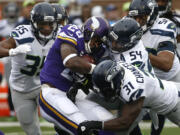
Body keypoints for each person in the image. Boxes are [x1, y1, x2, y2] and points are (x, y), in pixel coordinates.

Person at [39, 16, 115, 135]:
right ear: (88, 32)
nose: (96, 45)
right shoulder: (72, 31)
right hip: (53, 93)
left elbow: (93, 84)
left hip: (75, 97)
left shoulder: (99, 52)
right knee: (85, 129)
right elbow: (70, 61)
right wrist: (98, 69)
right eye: (96, 40)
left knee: (110, 126)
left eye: (100, 43)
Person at [77, 59, 180, 134]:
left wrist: (94, 125)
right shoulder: (117, 68)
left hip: (175, 104)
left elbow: (125, 123)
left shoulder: (133, 89)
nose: (106, 93)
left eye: (107, 89)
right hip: (170, 90)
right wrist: (81, 84)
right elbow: (101, 74)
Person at [0, 2, 58, 135]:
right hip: (21, 90)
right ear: (33, 23)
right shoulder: (23, 34)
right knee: (29, 127)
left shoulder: (59, 35)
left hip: (45, 87)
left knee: (59, 117)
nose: (47, 28)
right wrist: (11, 51)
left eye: (50, 24)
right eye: (42, 24)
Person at [128, 0, 180, 134]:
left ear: (151, 15)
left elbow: (166, 64)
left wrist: (139, 53)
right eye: (134, 17)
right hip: (147, 78)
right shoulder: (126, 24)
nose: (137, 21)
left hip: (171, 79)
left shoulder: (166, 25)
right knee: (125, 121)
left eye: (141, 17)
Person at [0, 2, 20, 118]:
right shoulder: (2, 24)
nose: (12, 14)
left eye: (14, 11)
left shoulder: (21, 22)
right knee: (9, 84)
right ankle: (12, 111)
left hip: (20, 55)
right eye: (10, 11)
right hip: (7, 57)